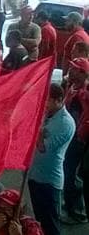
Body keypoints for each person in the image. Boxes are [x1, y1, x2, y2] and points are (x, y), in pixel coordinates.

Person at [29, 83, 75, 235]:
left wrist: (39, 132)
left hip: (49, 181)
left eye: (47, 100)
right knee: (39, 220)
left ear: (59, 100)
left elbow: (43, 148)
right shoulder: (47, 114)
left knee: (51, 225)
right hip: (35, 175)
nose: (44, 103)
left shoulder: (65, 123)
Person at [63, 58, 89, 223]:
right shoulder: (73, 87)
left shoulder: (86, 92)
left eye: (74, 68)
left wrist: (82, 135)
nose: (70, 70)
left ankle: (78, 211)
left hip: (79, 140)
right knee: (68, 171)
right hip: (71, 137)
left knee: (74, 174)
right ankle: (70, 202)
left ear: (82, 72)